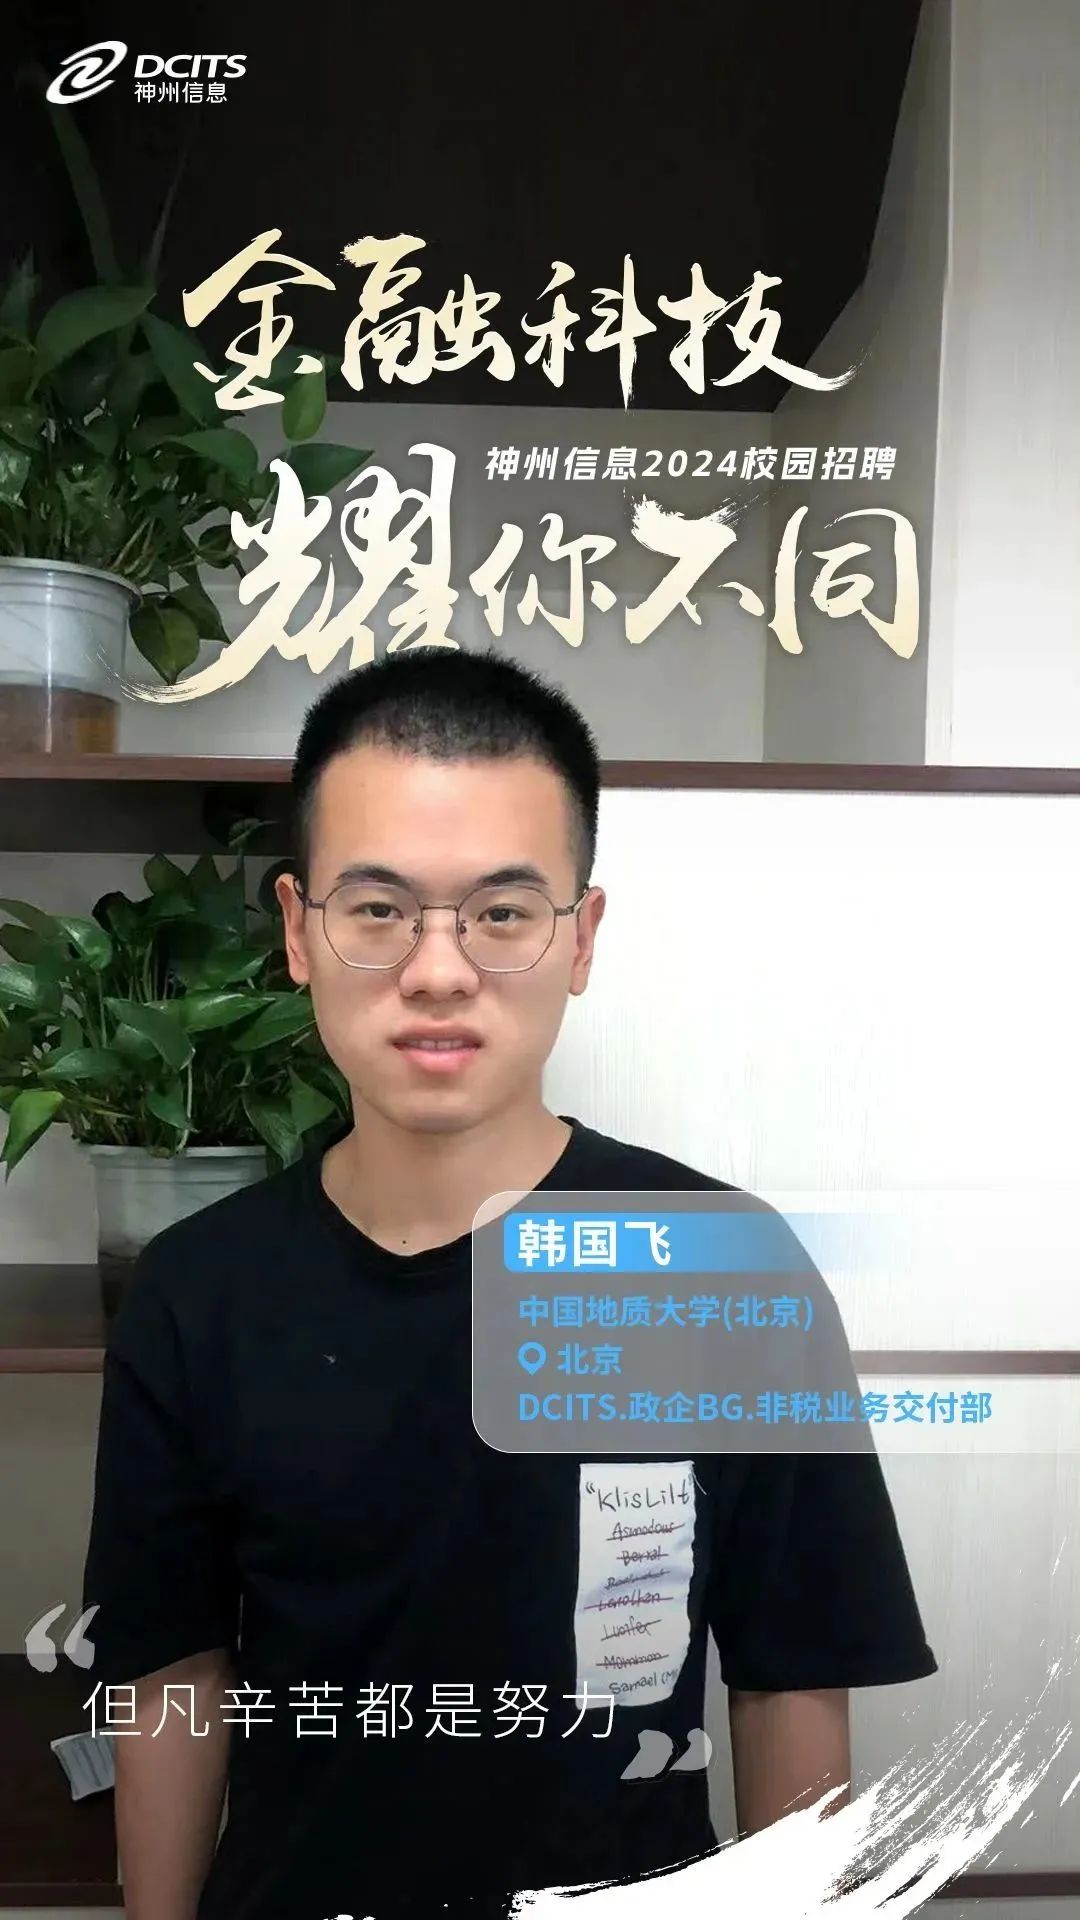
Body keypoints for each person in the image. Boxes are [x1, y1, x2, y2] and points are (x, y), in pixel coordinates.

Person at [82, 647, 938, 1920]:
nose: (438, 970)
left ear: (580, 938)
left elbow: (790, 1676)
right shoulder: (195, 1290)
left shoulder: (718, 1268)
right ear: (299, 932)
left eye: (501, 912)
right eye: (379, 908)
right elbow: (175, 1674)